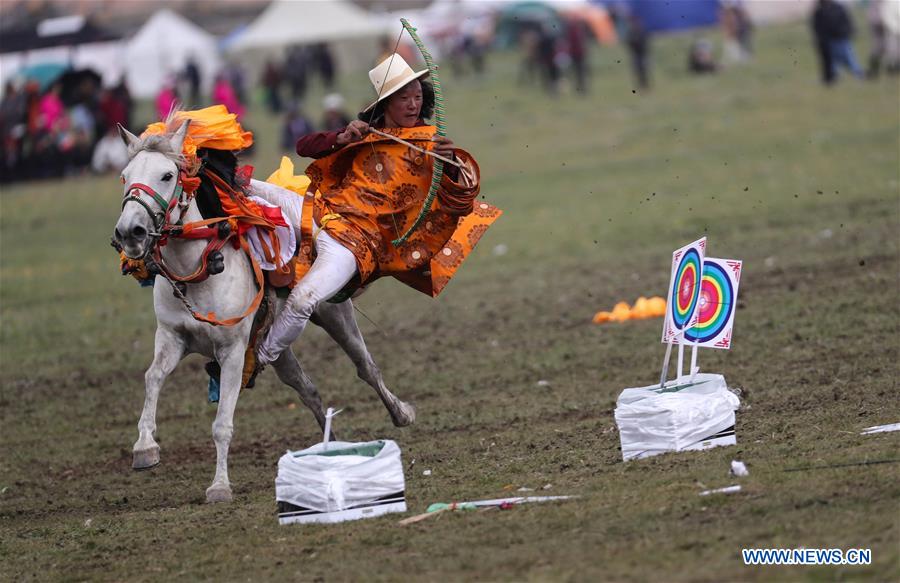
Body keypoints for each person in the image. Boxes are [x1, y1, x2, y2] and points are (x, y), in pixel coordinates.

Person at [256, 54, 499, 368]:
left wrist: (449, 164)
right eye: (404, 98)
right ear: (386, 104)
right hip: (320, 211)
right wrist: (341, 136)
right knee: (245, 185)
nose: (413, 105)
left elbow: (462, 198)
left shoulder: (429, 144)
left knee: (302, 301)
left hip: (358, 245)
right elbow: (304, 146)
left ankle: (257, 361)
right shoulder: (365, 133)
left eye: (417, 97)